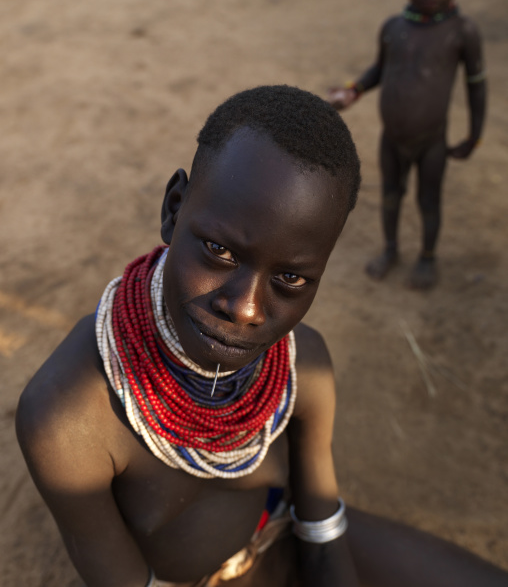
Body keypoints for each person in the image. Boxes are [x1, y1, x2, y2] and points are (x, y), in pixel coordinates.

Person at [16, 86, 506, 587]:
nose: (245, 308)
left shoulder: (301, 365)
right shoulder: (68, 416)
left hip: (282, 539)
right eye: (218, 250)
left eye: (290, 279)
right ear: (173, 207)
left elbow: (319, 526)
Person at [329, 0, 487, 289]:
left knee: (428, 201)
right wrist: (353, 91)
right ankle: (391, 249)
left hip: (432, 142)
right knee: (390, 198)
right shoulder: (393, 28)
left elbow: (476, 85)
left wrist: (474, 134)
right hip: (391, 139)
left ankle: (428, 258)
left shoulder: (462, 33)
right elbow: (380, 70)